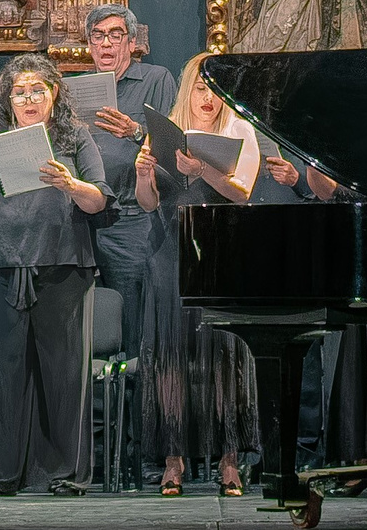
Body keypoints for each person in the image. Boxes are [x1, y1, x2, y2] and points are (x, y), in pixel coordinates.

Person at [0, 53, 110, 496]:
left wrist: (69, 184)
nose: (29, 98)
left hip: (61, 265)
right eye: (19, 92)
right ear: (7, 98)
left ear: (54, 93)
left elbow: (98, 200)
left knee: (63, 374)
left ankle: (65, 474)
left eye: (38, 89)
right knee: (1, 374)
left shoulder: (74, 137)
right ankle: (1, 474)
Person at [133, 54, 264, 496]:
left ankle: (229, 462)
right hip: (170, 250)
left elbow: (242, 195)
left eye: (216, 90)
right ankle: (174, 460)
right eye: (201, 88)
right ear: (188, 88)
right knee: (171, 355)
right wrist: (143, 174)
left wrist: (203, 168)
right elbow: (148, 203)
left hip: (222, 253)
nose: (208, 99)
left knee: (224, 356)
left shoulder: (239, 130)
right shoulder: (164, 131)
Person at [77, 4, 182, 486]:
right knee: (84, 333)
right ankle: (93, 449)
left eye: (115, 34)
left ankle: (141, 448)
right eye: (97, 35)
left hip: (134, 220)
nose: (105, 43)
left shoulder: (156, 78)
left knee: (137, 333)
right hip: (81, 219)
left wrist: (136, 130)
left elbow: (176, 148)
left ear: (132, 40)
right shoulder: (76, 87)